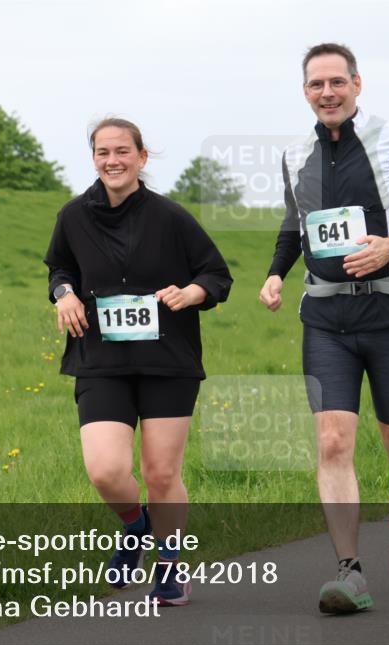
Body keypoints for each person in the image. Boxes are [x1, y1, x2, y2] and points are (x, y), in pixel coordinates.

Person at [259, 43, 389, 613]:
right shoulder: (296, 154)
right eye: (316, 85)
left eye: (337, 83)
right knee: (333, 440)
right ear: (304, 92)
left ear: (357, 84)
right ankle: (350, 572)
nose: (328, 93)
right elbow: (295, 226)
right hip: (324, 318)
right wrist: (275, 275)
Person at [44, 118, 232, 605]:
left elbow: (215, 275)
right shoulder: (73, 216)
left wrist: (192, 292)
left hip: (166, 360)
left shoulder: (171, 217)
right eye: (103, 152)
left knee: (161, 474)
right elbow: (59, 267)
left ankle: (170, 567)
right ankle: (136, 525)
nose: (113, 160)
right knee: (106, 470)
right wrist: (63, 293)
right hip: (100, 358)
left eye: (123, 151)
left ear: (142, 157)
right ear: (93, 159)